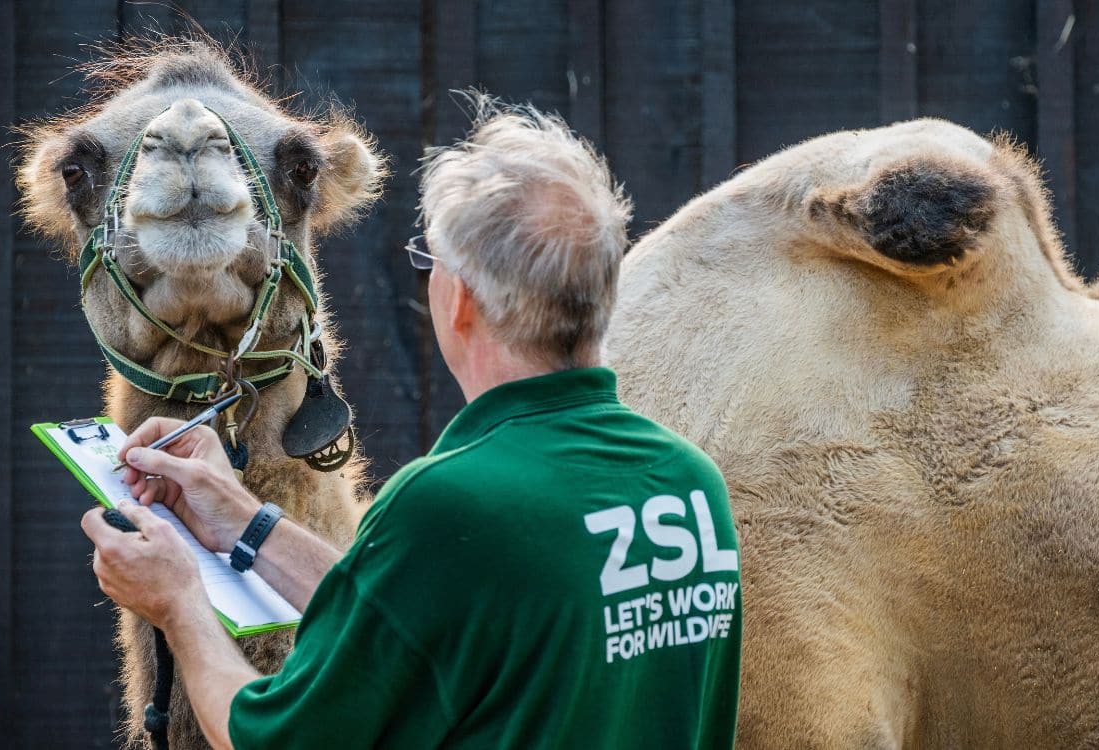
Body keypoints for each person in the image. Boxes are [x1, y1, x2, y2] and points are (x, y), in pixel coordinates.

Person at [82, 98, 742, 749]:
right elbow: (403, 619)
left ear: (458, 301)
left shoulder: (452, 506)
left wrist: (179, 604)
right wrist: (243, 520)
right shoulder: (692, 487)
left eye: (428, 264)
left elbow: (268, 741)